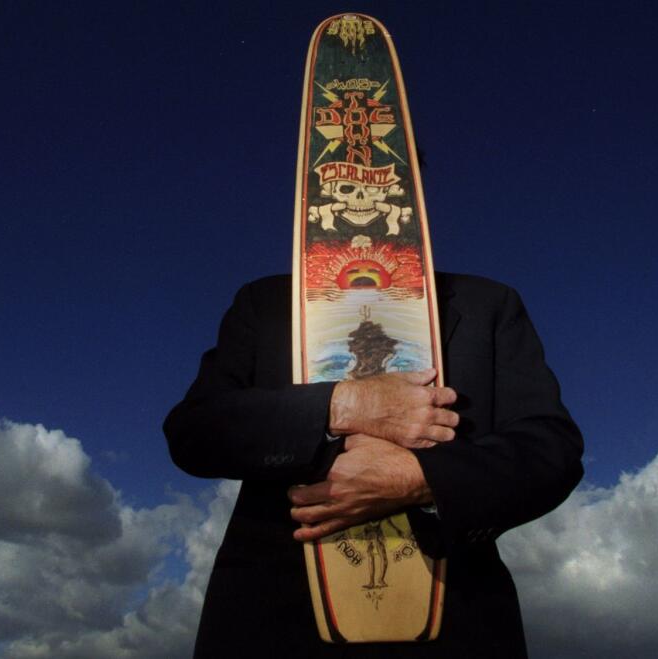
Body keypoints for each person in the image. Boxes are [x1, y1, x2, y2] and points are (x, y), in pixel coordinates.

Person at [163, 271, 583, 657]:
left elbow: (551, 449)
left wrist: (419, 479)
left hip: (458, 621)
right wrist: (342, 405)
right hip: (272, 623)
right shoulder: (266, 300)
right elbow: (194, 431)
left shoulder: (489, 302)